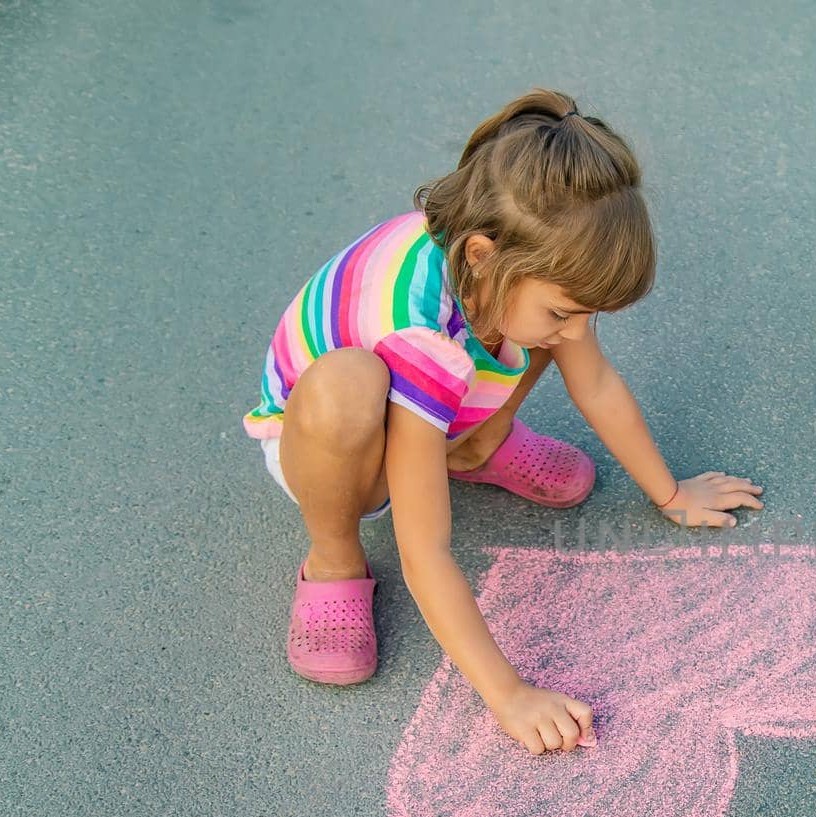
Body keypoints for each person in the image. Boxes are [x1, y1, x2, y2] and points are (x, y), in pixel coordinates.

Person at [241, 88, 764, 755]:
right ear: (482, 255)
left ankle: (474, 445)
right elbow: (424, 548)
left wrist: (669, 492)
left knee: (537, 329)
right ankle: (334, 556)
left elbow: (596, 383)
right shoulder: (416, 332)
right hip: (326, 445)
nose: (578, 333)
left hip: (430, 396)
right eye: (566, 312)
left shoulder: (514, 260)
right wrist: (508, 695)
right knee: (350, 385)